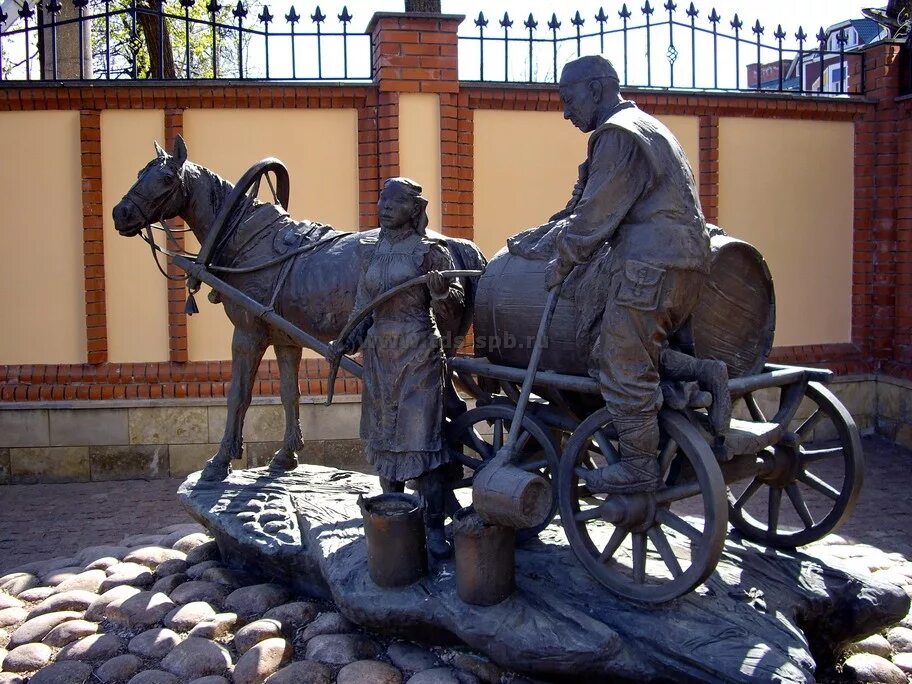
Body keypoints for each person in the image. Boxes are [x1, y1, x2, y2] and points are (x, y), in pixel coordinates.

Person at [511, 54, 725, 494]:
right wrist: (543, 236)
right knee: (624, 347)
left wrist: (563, 261)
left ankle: (640, 466)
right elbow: (588, 206)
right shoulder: (648, 125)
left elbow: (594, 217)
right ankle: (704, 373)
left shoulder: (619, 134)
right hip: (684, 263)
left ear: (596, 87)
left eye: (568, 99)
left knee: (621, 364)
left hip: (649, 267)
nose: (566, 111)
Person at [333, 177, 463, 558]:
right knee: (385, 437)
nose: (384, 205)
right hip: (380, 357)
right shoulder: (370, 251)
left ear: (413, 209)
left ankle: (435, 528)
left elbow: (453, 308)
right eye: (381, 199)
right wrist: (348, 340)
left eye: (394, 201)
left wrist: (442, 292)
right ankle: (395, 520)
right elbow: (363, 307)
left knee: (422, 443)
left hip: (418, 353)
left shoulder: (430, 251)